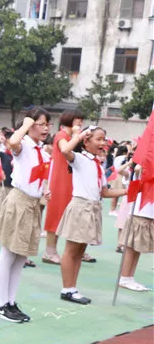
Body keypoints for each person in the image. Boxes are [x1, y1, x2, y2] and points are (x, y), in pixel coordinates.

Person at [0, 107, 51, 323]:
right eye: (41, 123)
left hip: (32, 205)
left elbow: (37, 177)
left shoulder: (42, 152)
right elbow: (13, 143)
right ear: (30, 123)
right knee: (8, 254)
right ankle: (0, 304)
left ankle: (11, 302)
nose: (45, 128)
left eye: (47, 124)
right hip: (18, 202)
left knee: (20, 257)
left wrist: (44, 190)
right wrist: (26, 124)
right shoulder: (24, 145)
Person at [55, 127, 126, 304]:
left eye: (104, 139)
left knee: (80, 251)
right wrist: (79, 135)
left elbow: (104, 192)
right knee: (71, 250)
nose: (103, 143)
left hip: (93, 208)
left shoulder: (98, 165)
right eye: (98, 139)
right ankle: (67, 289)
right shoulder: (79, 158)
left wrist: (127, 191)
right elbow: (65, 150)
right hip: (80, 206)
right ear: (86, 142)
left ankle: (73, 287)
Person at [41, 110, 84, 265]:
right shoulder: (61, 136)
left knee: (66, 215)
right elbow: (66, 149)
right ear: (70, 120)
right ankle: (49, 252)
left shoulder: (71, 137)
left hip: (70, 180)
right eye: (79, 120)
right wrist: (76, 135)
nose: (80, 124)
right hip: (60, 180)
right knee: (56, 214)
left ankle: (70, 250)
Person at [118, 166, 153, 292]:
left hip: (148, 214)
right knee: (131, 248)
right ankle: (124, 277)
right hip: (140, 213)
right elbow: (138, 168)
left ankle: (129, 277)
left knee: (137, 248)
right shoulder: (143, 169)